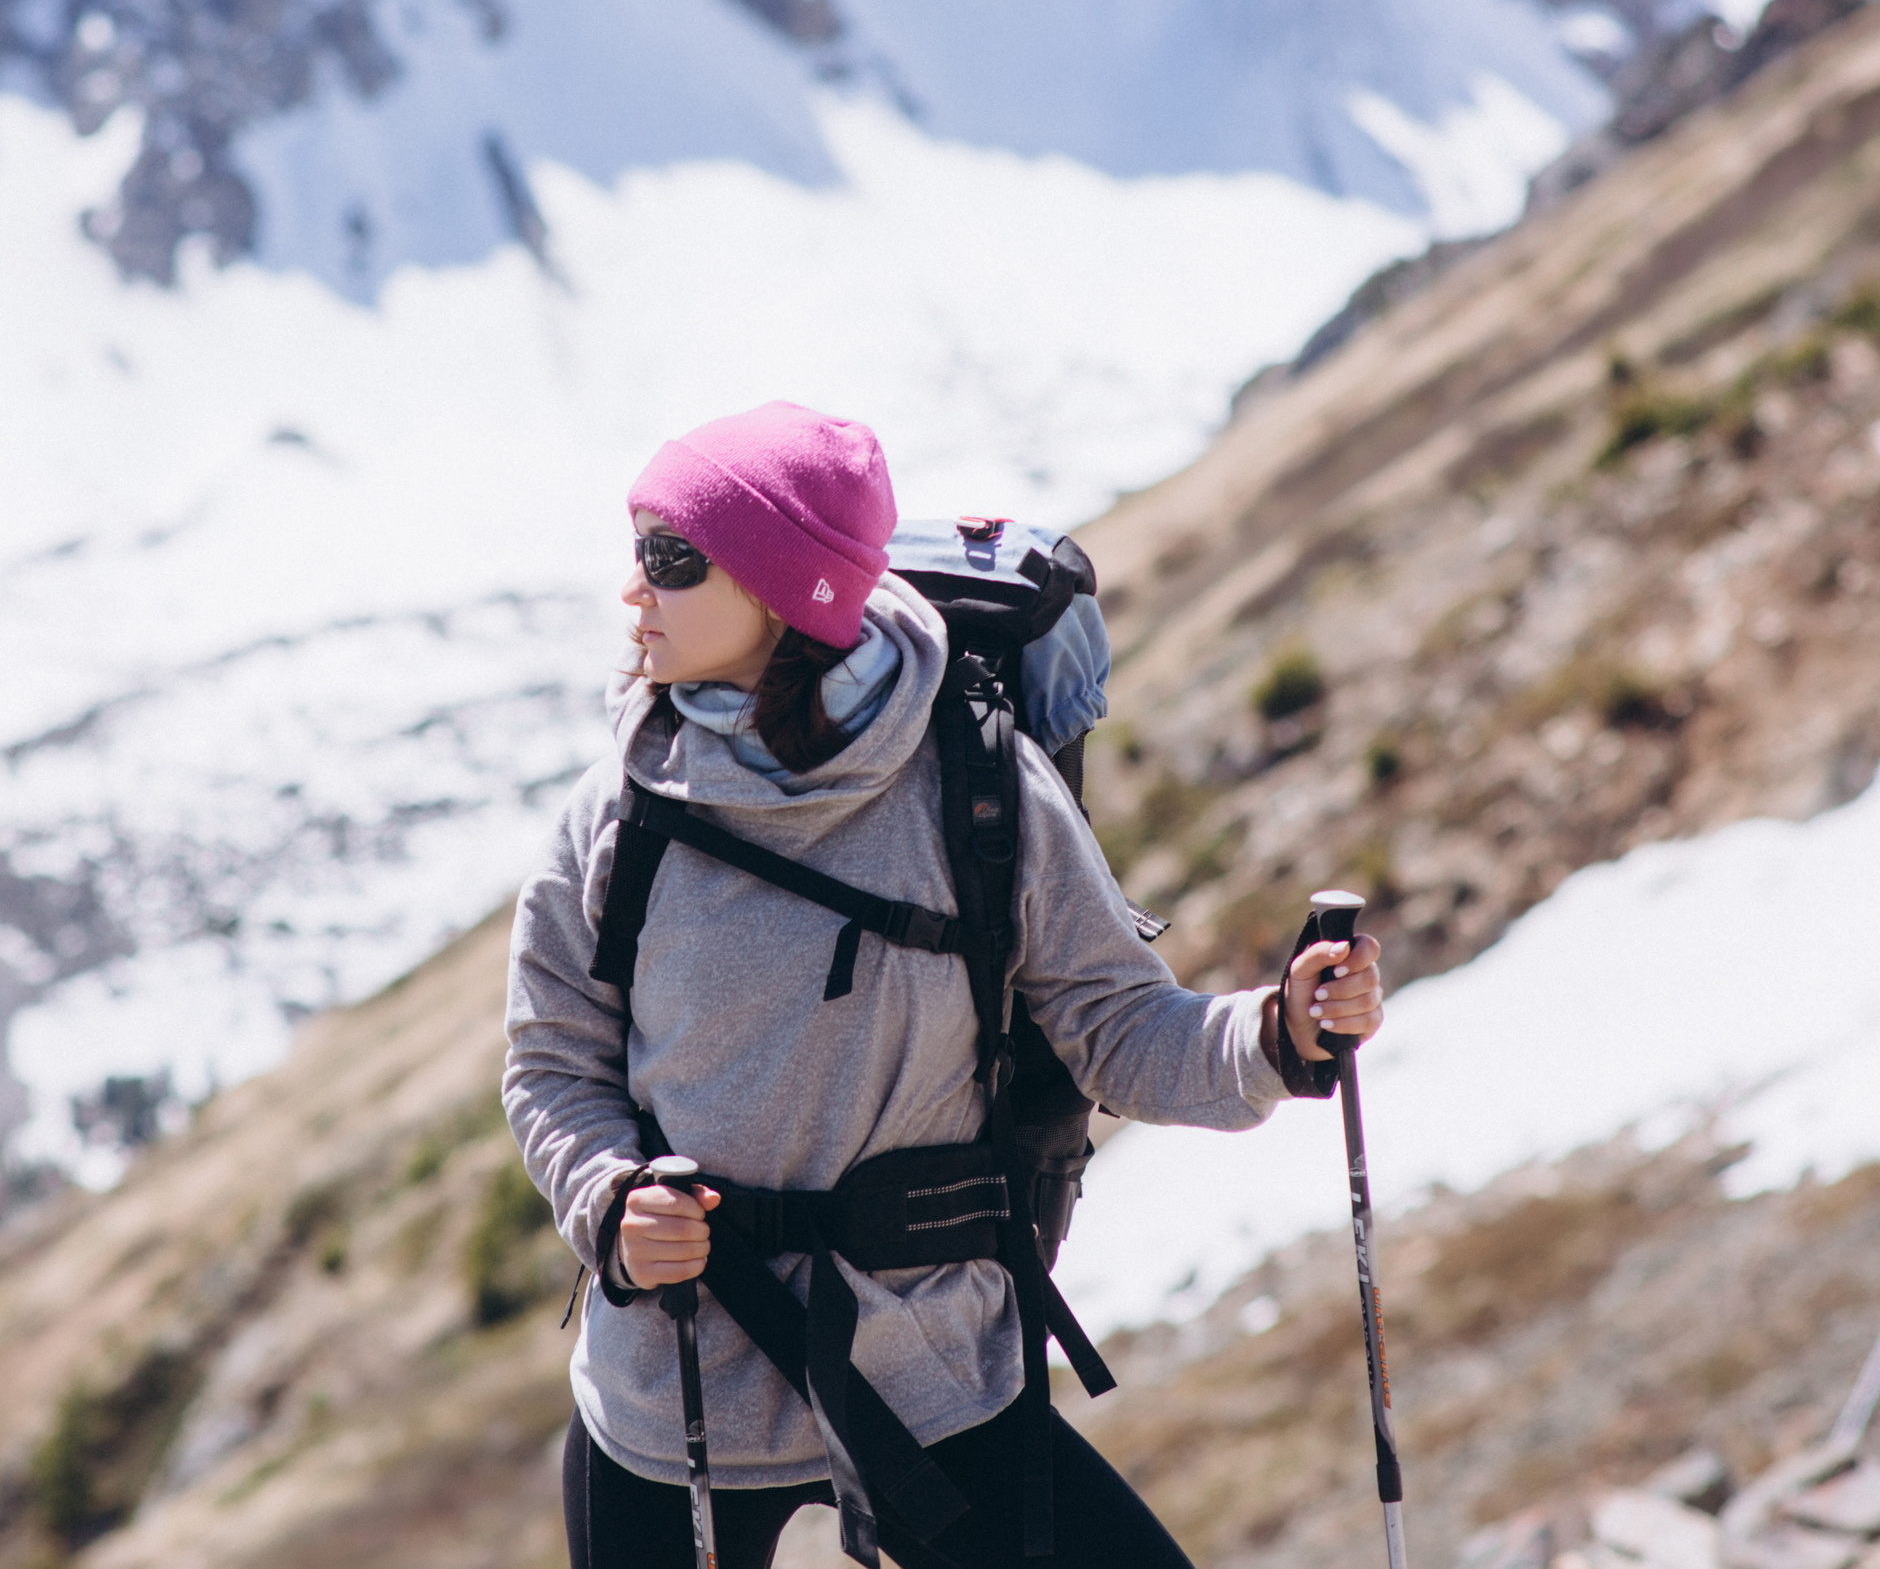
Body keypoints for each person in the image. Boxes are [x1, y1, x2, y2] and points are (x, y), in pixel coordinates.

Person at [503, 402, 1384, 1569]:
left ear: (784, 590)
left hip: (930, 1366)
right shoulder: (616, 811)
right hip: (673, 1384)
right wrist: (610, 1201)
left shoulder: (977, 783)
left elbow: (1115, 1024)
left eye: (673, 557)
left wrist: (1278, 1035)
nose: (632, 590)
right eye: (639, 547)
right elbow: (551, 1065)